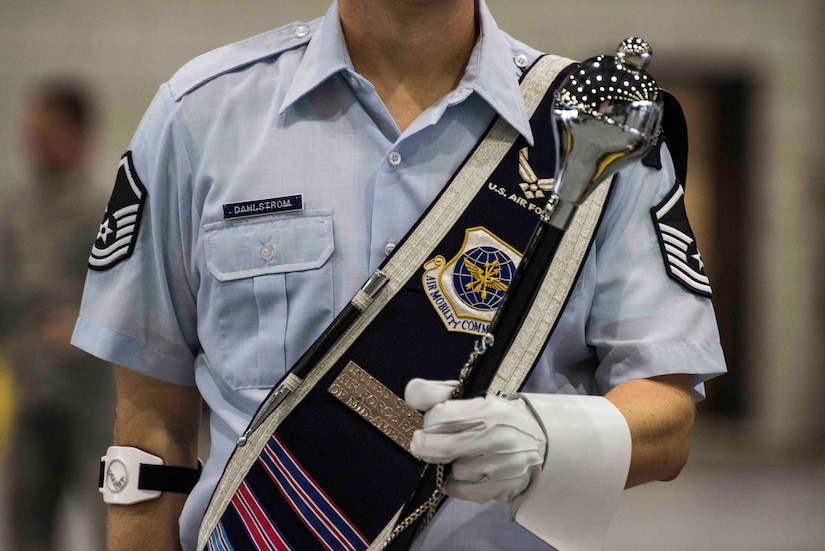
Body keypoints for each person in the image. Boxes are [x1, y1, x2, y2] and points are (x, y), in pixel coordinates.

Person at [71, 1, 726, 550]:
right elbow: (147, 436)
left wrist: (549, 440)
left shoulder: (596, 131)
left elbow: (666, 418)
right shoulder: (199, 117)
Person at [1, 78, 112, 551]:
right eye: (33, 132)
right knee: (27, 515)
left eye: (48, 132)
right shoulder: (13, 212)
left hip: (93, 395)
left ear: (79, 137)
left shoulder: (105, 210)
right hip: (31, 389)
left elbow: (126, 297)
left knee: (105, 511)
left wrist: (80, 323)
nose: (36, 143)